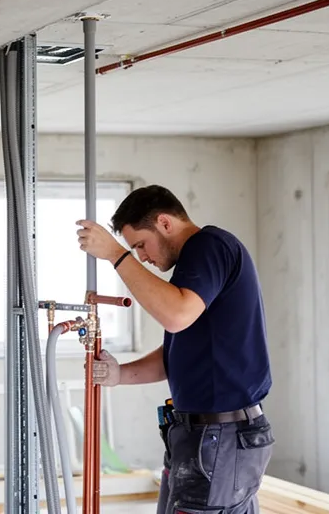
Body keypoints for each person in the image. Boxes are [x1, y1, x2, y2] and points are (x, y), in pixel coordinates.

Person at [75, 184, 274, 514]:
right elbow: (178, 354)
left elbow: (176, 316)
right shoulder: (191, 272)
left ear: (165, 223)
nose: (143, 257)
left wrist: (115, 254)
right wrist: (119, 374)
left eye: (140, 244)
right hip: (200, 437)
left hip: (221, 437)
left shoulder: (210, 246)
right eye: (133, 250)